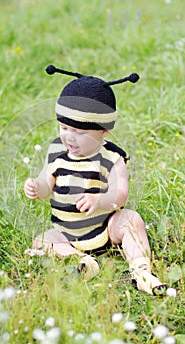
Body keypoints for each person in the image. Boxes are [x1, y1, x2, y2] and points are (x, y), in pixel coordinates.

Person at [24, 64, 167, 295]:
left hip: (105, 228)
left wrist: (99, 201)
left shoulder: (111, 157)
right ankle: (81, 262)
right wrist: (35, 187)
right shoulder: (57, 152)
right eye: (64, 127)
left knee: (131, 220)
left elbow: (120, 195)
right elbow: (45, 183)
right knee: (43, 240)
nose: (70, 136)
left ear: (105, 131)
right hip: (67, 233)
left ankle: (141, 271)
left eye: (80, 132)